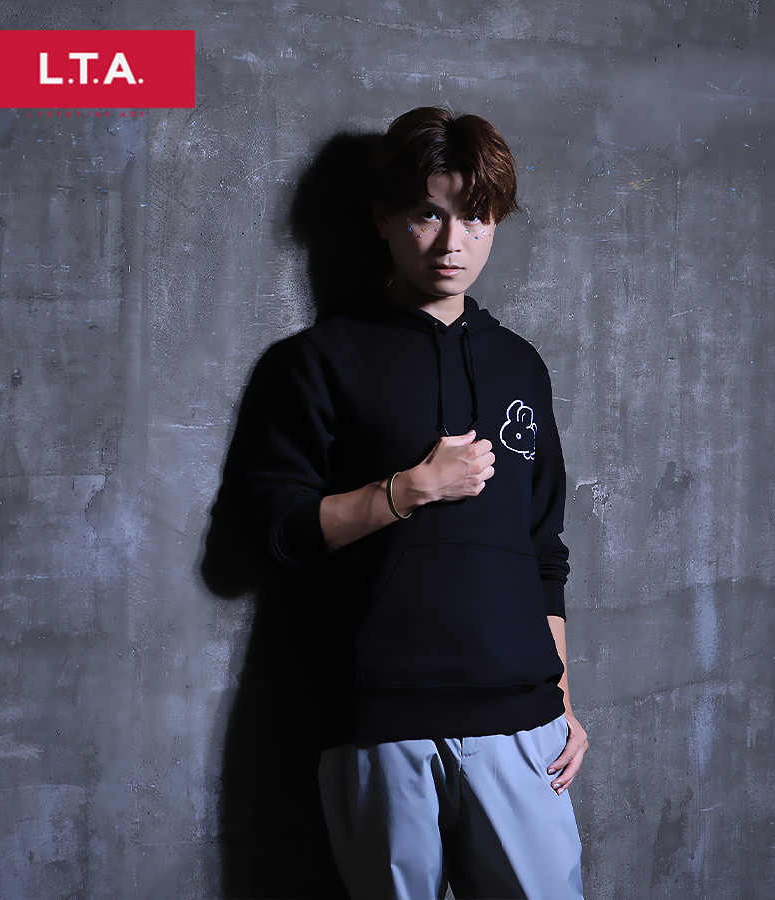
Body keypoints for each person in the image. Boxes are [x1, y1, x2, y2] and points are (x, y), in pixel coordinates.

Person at [244, 106, 587, 900]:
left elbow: (544, 552)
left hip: (523, 722)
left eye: (475, 217)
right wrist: (409, 490)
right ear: (384, 218)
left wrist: (563, 701)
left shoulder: (520, 367)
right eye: (428, 215)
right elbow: (275, 533)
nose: (451, 243)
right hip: (381, 721)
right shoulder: (318, 361)